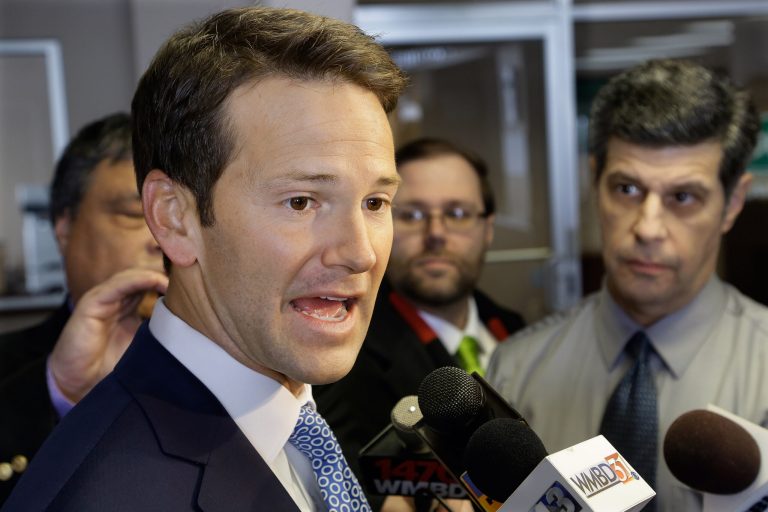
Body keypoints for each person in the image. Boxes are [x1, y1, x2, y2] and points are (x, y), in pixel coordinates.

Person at [2, 6, 407, 512]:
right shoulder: (111, 495)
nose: (360, 252)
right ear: (174, 218)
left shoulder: (294, 416)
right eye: (301, 202)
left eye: (375, 203)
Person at [487, 58, 767, 511]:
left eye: (682, 197)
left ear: (733, 202)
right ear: (594, 180)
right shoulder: (517, 372)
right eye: (627, 190)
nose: (648, 227)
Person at [315, 138, 525, 507]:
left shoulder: (518, 330)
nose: (436, 234)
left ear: (488, 228)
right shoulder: (343, 357)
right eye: (411, 215)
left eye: (457, 213)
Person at [0, 113, 166, 504]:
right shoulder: (12, 376)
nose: (162, 238)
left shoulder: (273, 366)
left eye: (180, 214)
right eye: (134, 215)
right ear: (63, 226)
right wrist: (60, 392)